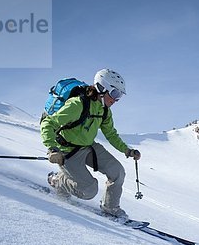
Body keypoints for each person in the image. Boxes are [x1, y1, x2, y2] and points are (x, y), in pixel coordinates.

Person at [40, 69, 141, 219]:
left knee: (117, 172)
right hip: (67, 151)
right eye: (114, 93)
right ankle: (57, 181)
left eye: (119, 96)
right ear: (102, 87)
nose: (116, 99)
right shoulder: (77, 105)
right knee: (89, 190)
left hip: (88, 147)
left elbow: (111, 134)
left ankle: (110, 208)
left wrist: (127, 150)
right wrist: (52, 149)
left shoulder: (104, 110)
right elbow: (48, 123)